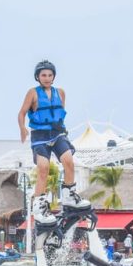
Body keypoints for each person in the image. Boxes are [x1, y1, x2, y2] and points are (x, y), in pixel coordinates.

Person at [18, 59, 90, 224]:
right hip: (40, 136)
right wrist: (23, 128)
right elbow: (21, 113)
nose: (47, 78)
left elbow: (60, 112)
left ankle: (70, 196)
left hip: (57, 134)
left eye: (50, 75)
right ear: (38, 77)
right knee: (43, 168)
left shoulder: (61, 92)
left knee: (69, 161)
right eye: (43, 75)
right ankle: (40, 206)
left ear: (54, 76)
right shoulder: (32, 93)